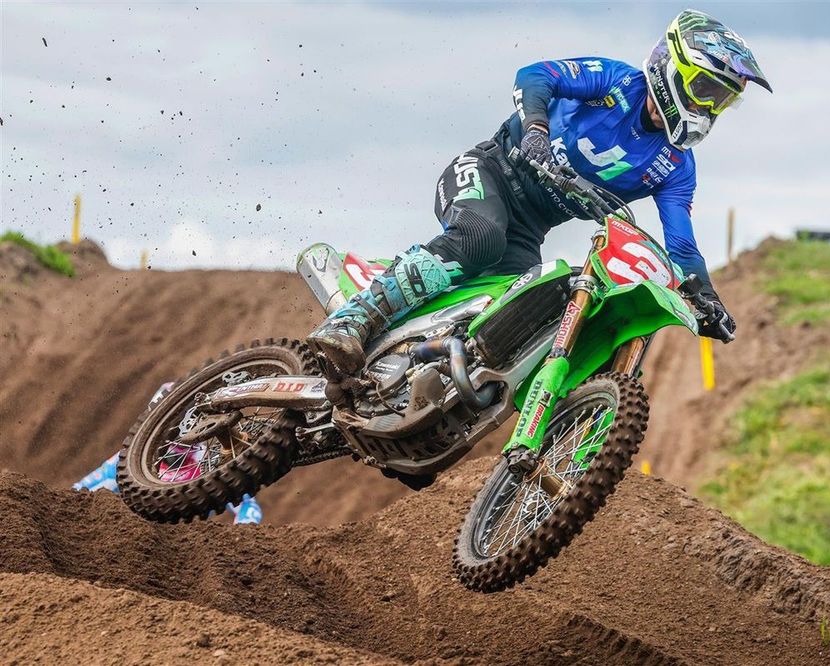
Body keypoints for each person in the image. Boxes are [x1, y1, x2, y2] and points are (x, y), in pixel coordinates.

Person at [308, 9, 770, 395]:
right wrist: (535, 130)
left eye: (722, 100)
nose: (711, 107)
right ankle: (354, 318)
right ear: (674, 71)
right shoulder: (616, 82)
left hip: (529, 230)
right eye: (708, 90)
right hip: (489, 171)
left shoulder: (676, 166)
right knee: (480, 238)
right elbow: (534, 75)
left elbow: (681, 245)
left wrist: (706, 299)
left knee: (521, 317)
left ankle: (418, 394)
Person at [73, 382, 263, 524]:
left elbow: (248, 506)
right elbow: (78, 493)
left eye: (177, 419)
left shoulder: (211, 461)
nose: (170, 427)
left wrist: (240, 535)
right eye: (160, 419)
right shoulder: (130, 459)